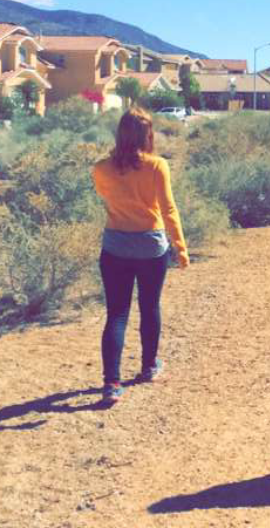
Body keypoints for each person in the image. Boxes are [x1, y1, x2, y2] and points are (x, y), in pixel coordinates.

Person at [92, 107, 191, 405]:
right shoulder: (157, 165)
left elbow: (105, 195)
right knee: (150, 307)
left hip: (115, 246)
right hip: (150, 245)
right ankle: (149, 367)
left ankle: (111, 383)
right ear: (148, 135)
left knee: (117, 314)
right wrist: (181, 247)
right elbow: (168, 209)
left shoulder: (101, 168)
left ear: (120, 134)